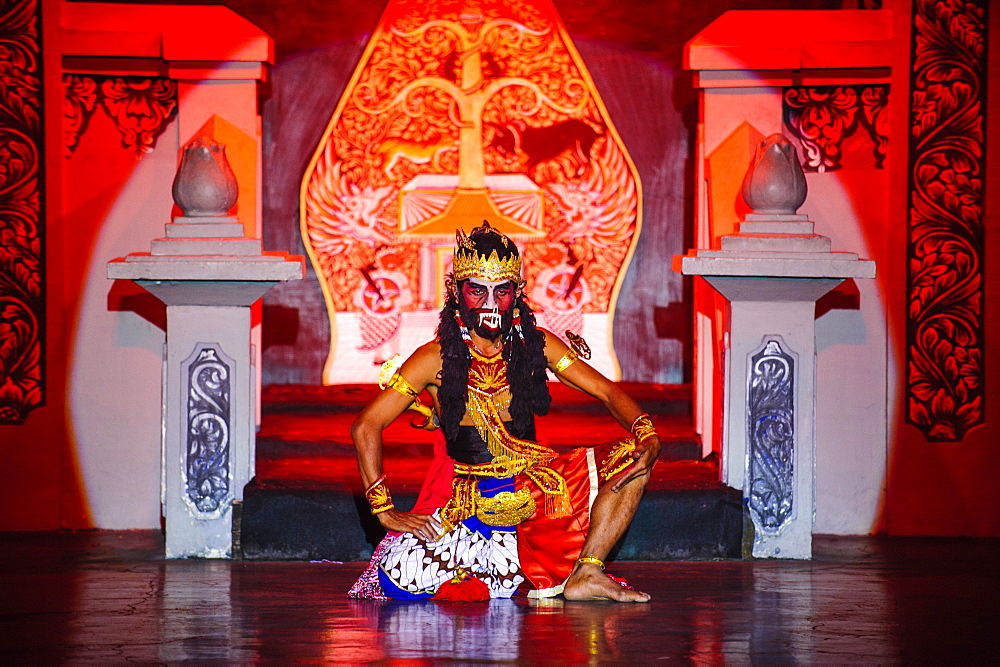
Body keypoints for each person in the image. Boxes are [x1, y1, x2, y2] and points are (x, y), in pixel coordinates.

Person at [348, 221, 660, 602]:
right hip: (468, 505)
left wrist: (646, 432)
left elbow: (607, 392)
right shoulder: (434, 358)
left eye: (502, 291)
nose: (491, 303)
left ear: (518, 293)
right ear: (456, 292)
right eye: (478, 290)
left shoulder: (537, 346)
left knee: (634, 458)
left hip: (539, 491)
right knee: (402, 577)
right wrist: (385, 512)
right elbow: (366, 425)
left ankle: (587, 572)